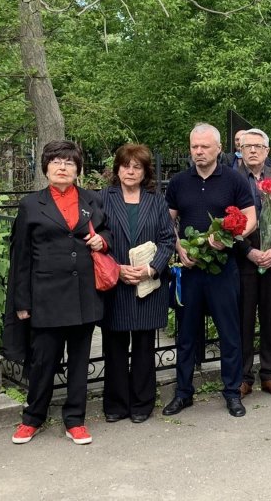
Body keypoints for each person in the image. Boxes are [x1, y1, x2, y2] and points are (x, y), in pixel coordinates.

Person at [3, 141, 111, 446]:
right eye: (56, 162)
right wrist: (22, 302)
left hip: (83, 295)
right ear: (46, 167)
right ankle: (32, 418)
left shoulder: (92, 200)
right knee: (43, 362)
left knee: (79, 362)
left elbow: (108, 231)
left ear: (78, 169)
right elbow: (21, 257)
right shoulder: (31, 205)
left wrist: (103, 240)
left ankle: (75, 419)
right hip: (46, 297)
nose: (62, 167)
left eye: (69, 162)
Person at [163, 123, 257, 418]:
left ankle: (232, 392)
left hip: (223, 268)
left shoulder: (233, 180)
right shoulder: (178, 182)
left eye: (205, 146)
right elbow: (168, 221)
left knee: (230, 333)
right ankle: (183, 392)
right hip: (190, 270)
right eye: (194, 147)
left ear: (218, 148)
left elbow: (250, 218)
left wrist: (229, 237)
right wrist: (178, 248)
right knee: (187, 335)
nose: (199, 151)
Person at [100, 144, 175, 424]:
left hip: (147, 285)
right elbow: (95, 239)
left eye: (137, 167)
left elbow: (167, 240)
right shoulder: (102, 199)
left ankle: (143, 403)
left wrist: (150, 269)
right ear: (117, 168)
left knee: (144, 347)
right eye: (125, 165)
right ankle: (116, 404)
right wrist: (116, 269)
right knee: (115, 347)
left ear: (145, 172)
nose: (130, 171)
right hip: (115, 283)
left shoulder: (156, 201)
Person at [235, 129, 271, 399]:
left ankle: (269, 375)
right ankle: (244, 377)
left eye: (258, 146)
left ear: (267, 151)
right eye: (248, 146)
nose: (253, 151)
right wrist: (248, 251)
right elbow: (230, 223)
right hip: (244, 263)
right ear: (240, 149)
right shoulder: (232, 179)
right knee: (244, 321)